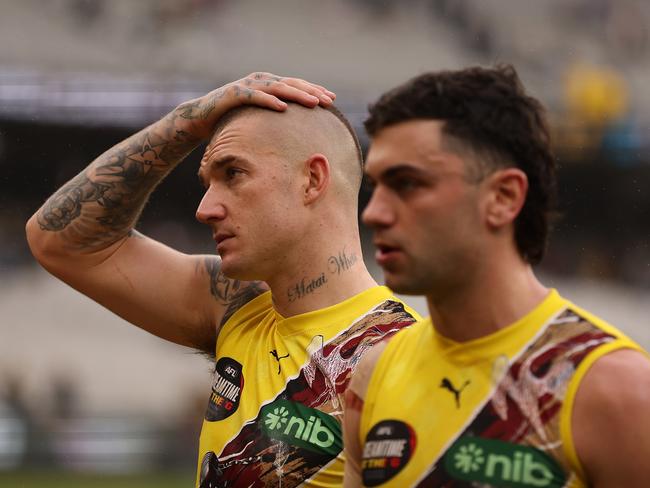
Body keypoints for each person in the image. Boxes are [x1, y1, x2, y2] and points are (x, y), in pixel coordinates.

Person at [25, 72, 420, 487]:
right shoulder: (237, 304)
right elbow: (60, 240)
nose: (205, 208)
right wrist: (187, 122)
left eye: (233, 174)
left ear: (312, 179)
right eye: (207, 182)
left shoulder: (402, 358)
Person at [343, 65, 650, 487]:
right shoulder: (373, 371)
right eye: (375, 186)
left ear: (503, 198)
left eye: (408, 184)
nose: (373, 212)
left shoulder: (616, 390)